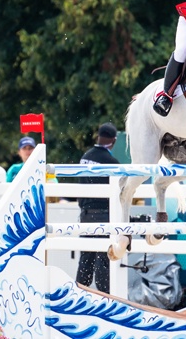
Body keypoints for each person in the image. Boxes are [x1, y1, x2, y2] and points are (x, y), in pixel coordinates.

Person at [76, 122, 120, 294]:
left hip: (86, 215)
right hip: (104, 215)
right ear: (114, 141)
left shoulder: (85, 156)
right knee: (103, 262)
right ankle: (105, 298)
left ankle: (80, 295)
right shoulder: (111, 162)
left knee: (85, 260)